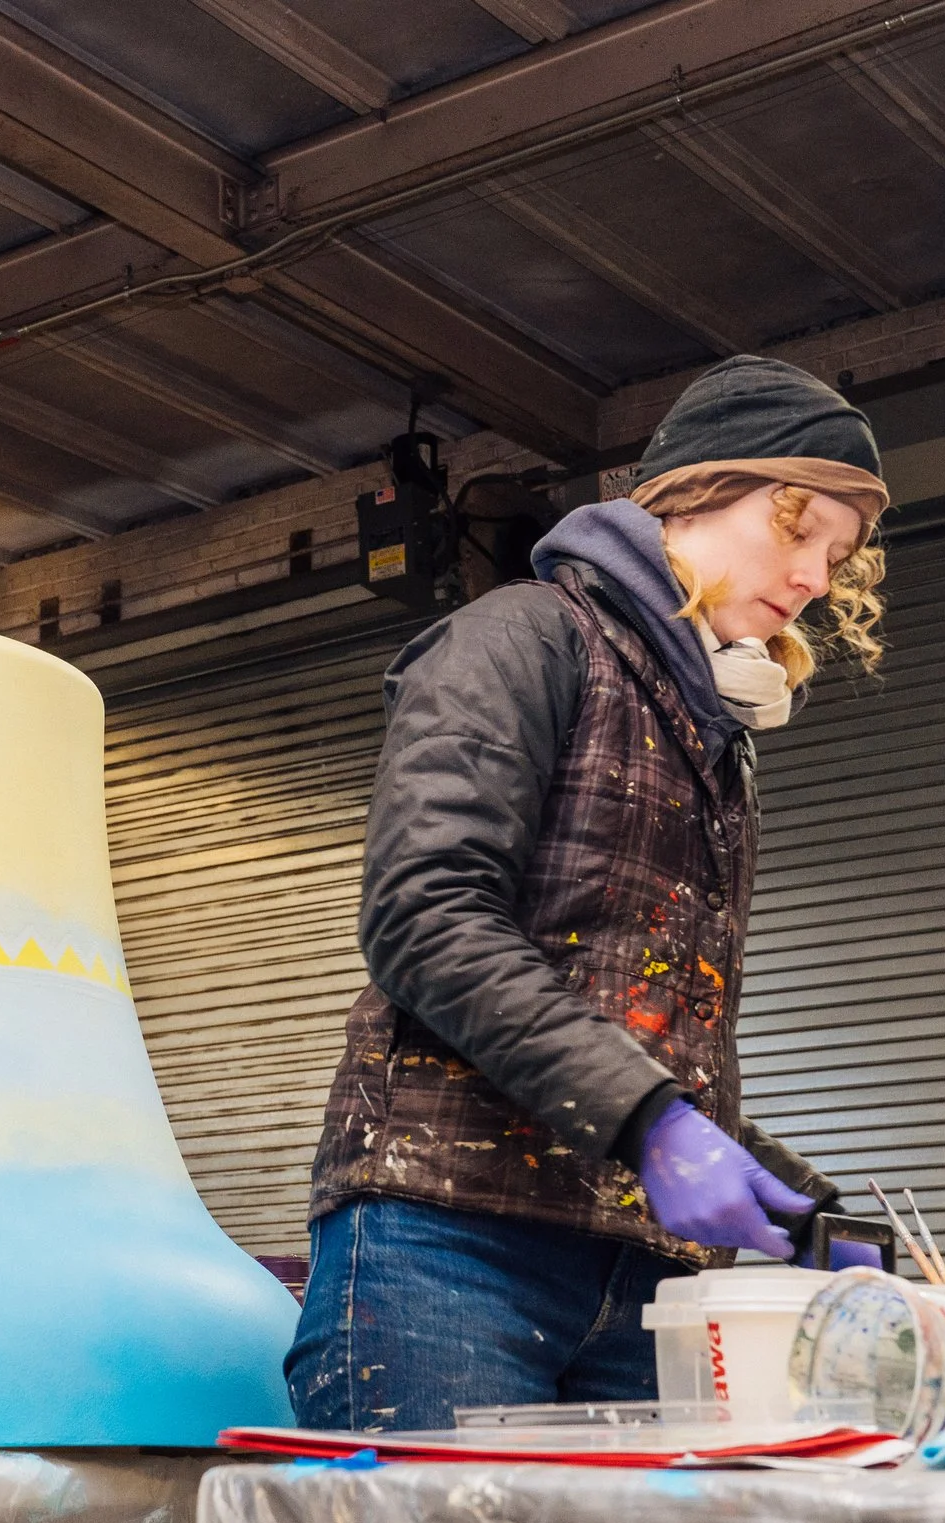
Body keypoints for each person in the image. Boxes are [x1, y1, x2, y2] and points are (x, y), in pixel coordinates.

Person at [286, 356, 894, 1432]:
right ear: (698, 489)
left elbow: (643, 1025)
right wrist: (651, 1124)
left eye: (836, 558)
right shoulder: (518, 637)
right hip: (449, 1242)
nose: (811, 577)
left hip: (641, 1283)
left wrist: (813, 1217)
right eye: (798, 530)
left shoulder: (715, 740)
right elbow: (423, 916)